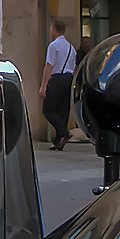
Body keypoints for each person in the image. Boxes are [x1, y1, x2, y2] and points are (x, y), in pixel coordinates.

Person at [42, 19, 79, 150]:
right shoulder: (71, 48)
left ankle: (64, 133)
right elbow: (74, 68)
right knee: (62, 110)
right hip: (69, 79)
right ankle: (58, 141)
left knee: (48, 110)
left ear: (54, 30)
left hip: (57, 78)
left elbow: (49, 66)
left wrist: (43, 86)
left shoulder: (53, 46)